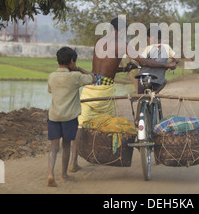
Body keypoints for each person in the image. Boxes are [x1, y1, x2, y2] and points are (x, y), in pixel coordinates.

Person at [74, 18, 176, 169]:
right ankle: (109, 154)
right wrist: (167, 64)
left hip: (90, 86)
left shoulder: (99, 42)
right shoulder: (122, 43)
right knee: (106, 122)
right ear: (122, 31)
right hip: (105, 90)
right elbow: (143, 62)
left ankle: (72, 163)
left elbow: (102, 69)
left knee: (81, 125)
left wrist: (124, 69)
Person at [46, 47, 97, 187]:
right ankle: (63, 175)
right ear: (71, 61)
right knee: (66, 146)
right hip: (69, 117)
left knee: (53, 148)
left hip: (54, 116)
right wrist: (78, 68)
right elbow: (93, 78)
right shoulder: (75, 77)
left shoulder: (52, 76)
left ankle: (50, 174)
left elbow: (50, 90)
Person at [137, 26, 179, 94]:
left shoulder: (148, 48)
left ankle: (141, 102)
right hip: (158, 80)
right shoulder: (166, 47)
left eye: (148, 38)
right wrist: (171, 64)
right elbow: (177, 60)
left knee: (141, 98)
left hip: (143, 79)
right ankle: (154, 94)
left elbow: (141, 62)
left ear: (151, 37)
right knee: (164, 81)